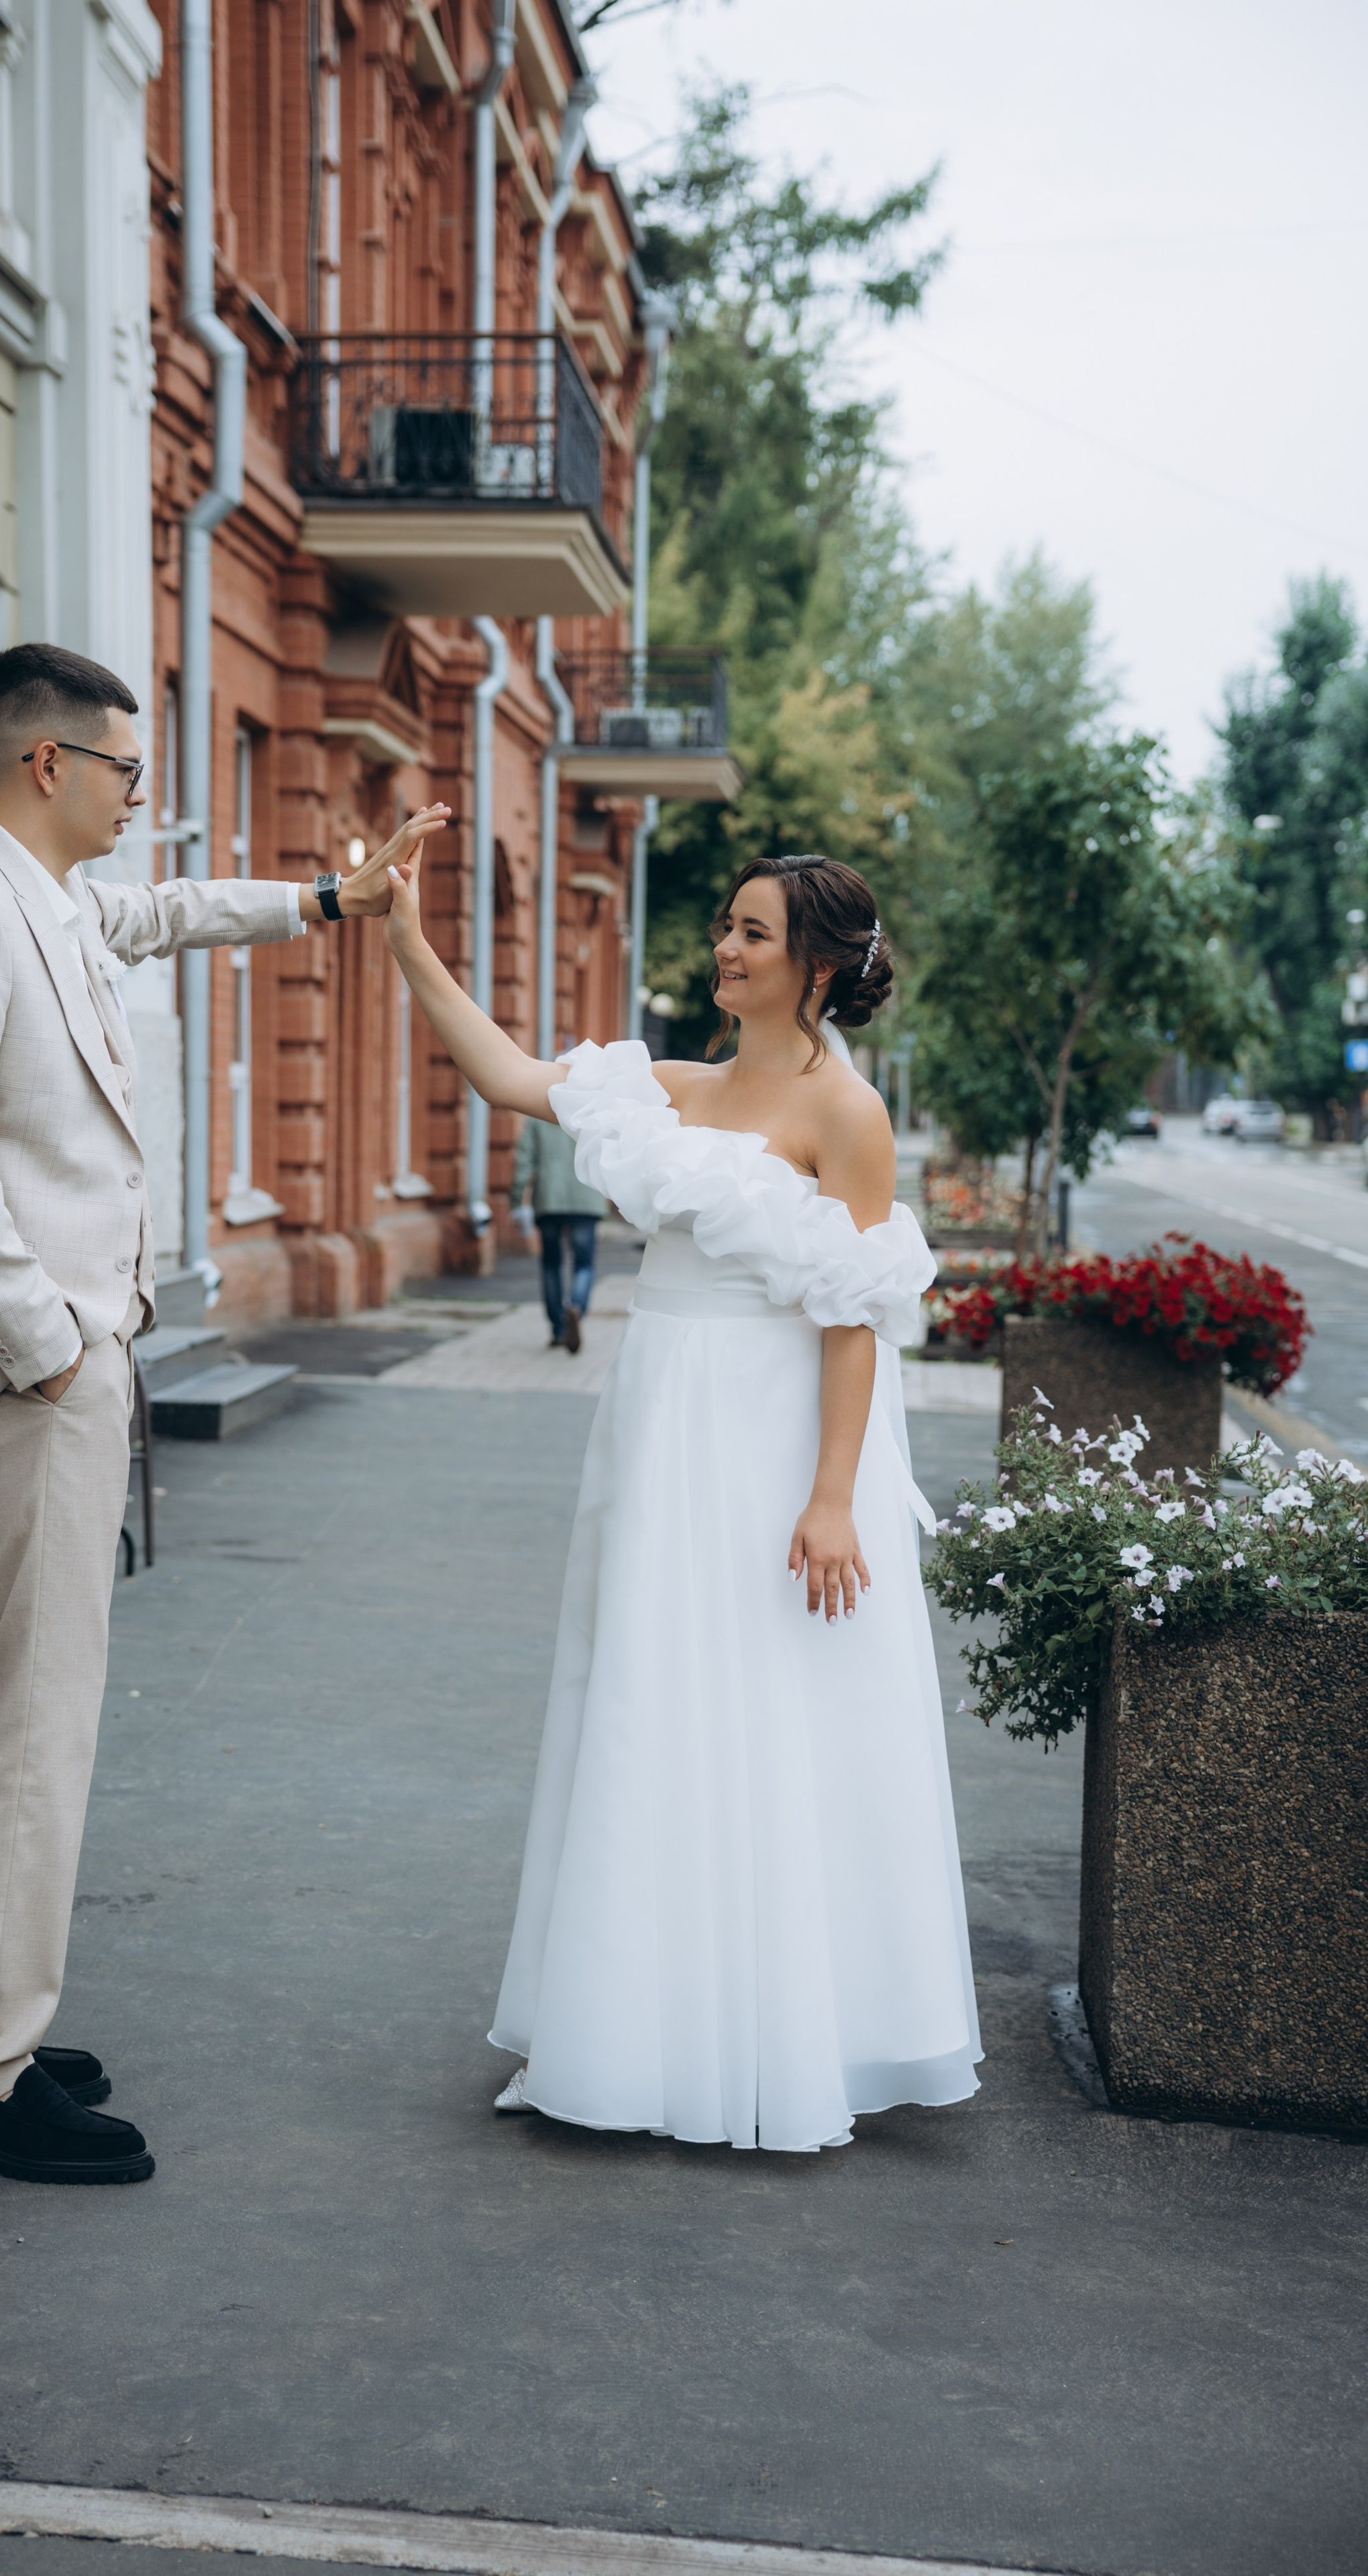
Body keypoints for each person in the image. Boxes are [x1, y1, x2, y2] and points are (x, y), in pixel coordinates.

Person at [0, 640, 446, 2185]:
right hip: (28, 1372)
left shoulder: (45, 897)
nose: (145, 796)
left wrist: (329, 900)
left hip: (32, 1369)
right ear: (43, 763)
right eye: (127, 769)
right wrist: (55, 1344)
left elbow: (175, 911)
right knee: (37, 1723)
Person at [384, 843, 980, 2153]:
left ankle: (773, 2034)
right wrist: (403, 939)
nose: (724, 948)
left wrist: (831, 1500)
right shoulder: (663, 1086)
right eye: (723, 926)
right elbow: (501, 1074)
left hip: (777, 1442)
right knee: (648, 1699)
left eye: (753, 933)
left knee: (773, 1711)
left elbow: (854, 1322)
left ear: (817, 963)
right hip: (661, 1429)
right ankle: (631, 2024)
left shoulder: (848, 1116)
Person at [511, 1107, 607, 1352]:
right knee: (584, 1263)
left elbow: (524, 1161)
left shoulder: (537, 1113)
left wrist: (516, 1202)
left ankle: (558, 1329)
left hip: (549, 1200)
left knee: (551, 1264)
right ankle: (576, 1306)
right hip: (587, 1198)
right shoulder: (595, 1113)